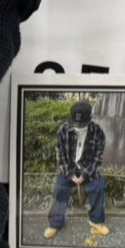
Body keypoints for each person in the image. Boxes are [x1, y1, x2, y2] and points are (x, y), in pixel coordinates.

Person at [44, 100, 110, 239]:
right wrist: (70, 174)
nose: (78, 127)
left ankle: (96, 221)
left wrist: (85, 175)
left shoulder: (98, 132)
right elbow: (61, 156)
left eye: (82, 124)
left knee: (98, 187)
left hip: (88, 168)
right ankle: (55, 223)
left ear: (90, 119)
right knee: (59, 189)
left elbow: (97, 158)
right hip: (69, 168)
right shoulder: (63, 131)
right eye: (75, 123)